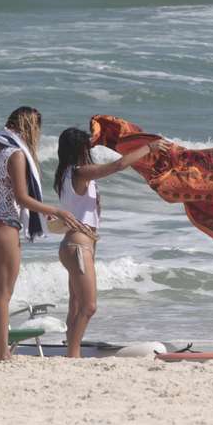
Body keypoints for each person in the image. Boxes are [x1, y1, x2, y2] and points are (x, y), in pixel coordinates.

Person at [0, 106, 82, 361]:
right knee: (4, 293)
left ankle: (0, 351)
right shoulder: (16, 155)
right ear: (28, 127)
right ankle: (2, 353)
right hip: (4, 226)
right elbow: (22, 198)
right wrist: (56, 211)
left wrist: (40, 211)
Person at [53, 127, 169, 358]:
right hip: (78, 247)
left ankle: (71, 350)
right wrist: (148, 147)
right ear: (79, 149)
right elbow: (117, 165)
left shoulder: (65, 174)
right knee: (88, 306)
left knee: (76, 305)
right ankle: (73, 355)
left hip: (74, 245)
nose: (90, 150)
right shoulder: (80, 172)